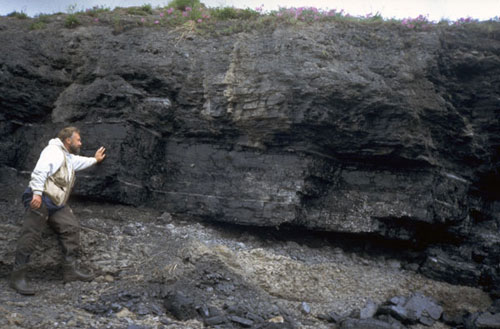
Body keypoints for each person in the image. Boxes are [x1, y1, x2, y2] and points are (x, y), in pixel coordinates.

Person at [10, 126, 107, 295]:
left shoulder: (66, 157)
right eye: (78, 140)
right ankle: (17, 277)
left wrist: (94, 160)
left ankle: (70, 271)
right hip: (41, 197)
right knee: (31, 233)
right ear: (68, 140)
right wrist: (37, 194)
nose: (80, 142)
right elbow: (40, 171)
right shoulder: (53, 151)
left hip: (56, 203)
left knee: (71, 228)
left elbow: (78, 162)